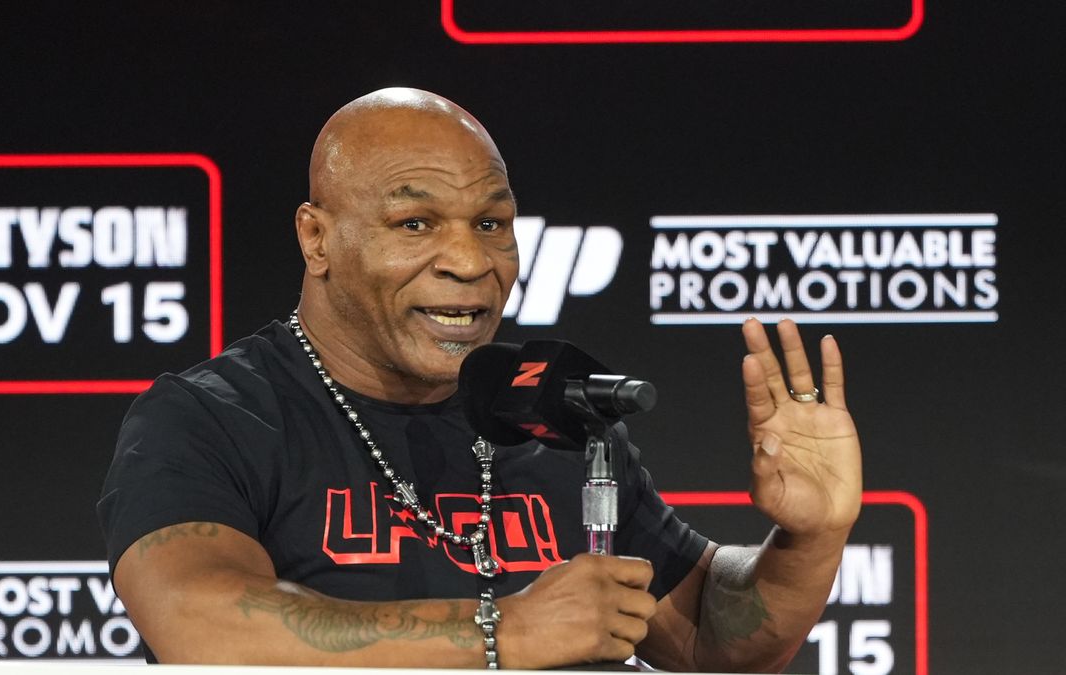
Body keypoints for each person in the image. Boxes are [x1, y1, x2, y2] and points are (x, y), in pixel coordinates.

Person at [98, 87, 861, 671]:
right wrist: (507, 630)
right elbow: (199, 624)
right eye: (417, 224)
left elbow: (706, 634)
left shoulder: (550, 413)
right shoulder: (214, 417)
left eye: (491, 224)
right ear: (317, 237)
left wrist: (809, 539)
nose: (471, 262)